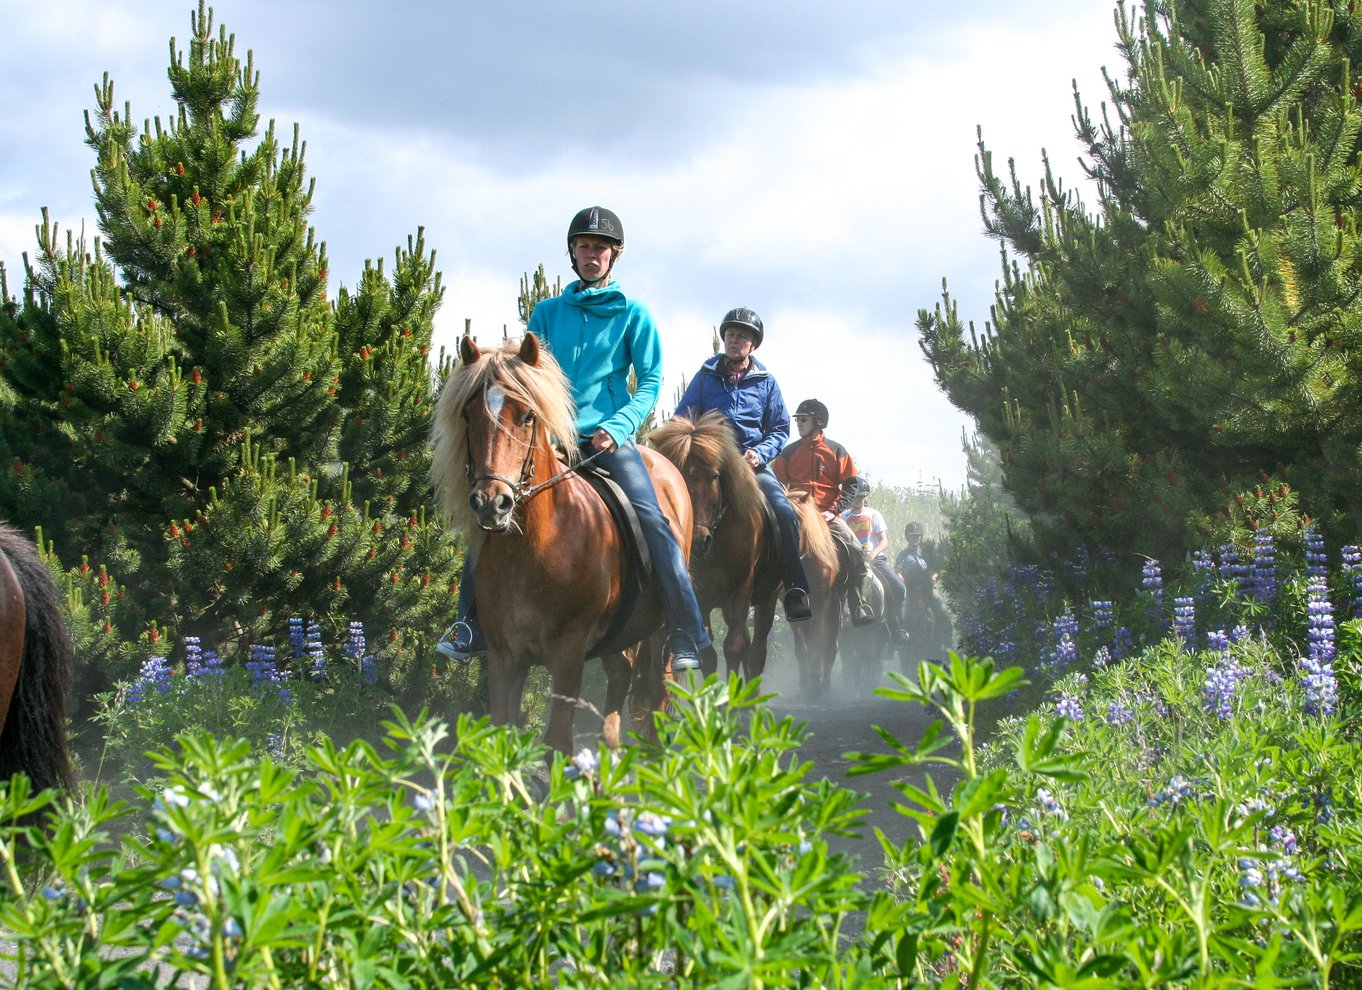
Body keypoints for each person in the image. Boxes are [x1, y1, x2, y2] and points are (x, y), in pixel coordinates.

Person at [445, 206, 712, 672]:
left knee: (654, 519)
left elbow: (649, 381)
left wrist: (620, 425)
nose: (593, 254)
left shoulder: (634, 314)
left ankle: (687, 628)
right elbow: (528, 376)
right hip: (550, 441)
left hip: (610, 439)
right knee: (489, 516)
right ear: (573, 253)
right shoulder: (547, 313)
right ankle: (469, 624)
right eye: (585, 246)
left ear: (615, 256)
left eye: (601, 248)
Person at [674, 307, 812, 622]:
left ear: (753, 344)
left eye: (742, 336)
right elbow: (683, 415)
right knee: (668, 507)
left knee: (784, 512)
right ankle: (665, 588)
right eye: (731, 335)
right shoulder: (705, 376)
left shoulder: (766, 382)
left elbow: (779, 428)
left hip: (751, 464)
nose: (735, 340)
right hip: (710, 463)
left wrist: (759, 453)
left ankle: (795, 588)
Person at [770, 398, 875, 625]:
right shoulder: (787, 453)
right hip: (795, 515)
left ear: (818, 422)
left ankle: (858, 603)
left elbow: (851, 484)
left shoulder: (837, 451)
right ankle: (761, 600)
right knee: (765, 544)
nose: (798, 423)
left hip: (827, 515)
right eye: (797, 420)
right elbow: (777, 483)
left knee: (856, 550)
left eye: (803, 420)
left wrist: (834, 511)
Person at [840, 476, 909, 645]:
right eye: (855, 496)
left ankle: (897, 627)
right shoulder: (842, 517)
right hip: (849, 562)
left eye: (861, 496)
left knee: (898, 587)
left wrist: (872, 555)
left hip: (875, 559)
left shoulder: (874, 514)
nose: (858, 500)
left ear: (866, 496)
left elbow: (884, 541)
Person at [894, 521, 953, 656]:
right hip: (910, 589)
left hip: (928, 588)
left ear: (921, 536)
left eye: (917, 535)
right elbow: (897, 570)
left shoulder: (927, 552)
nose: (914, 538)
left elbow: (938, 569)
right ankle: (899, 639)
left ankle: (949, 645)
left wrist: (933, 577)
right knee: (900, 612)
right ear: (907, 537)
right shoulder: (903, 555)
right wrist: (901, 578)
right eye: (911, 535)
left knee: (943, 610)